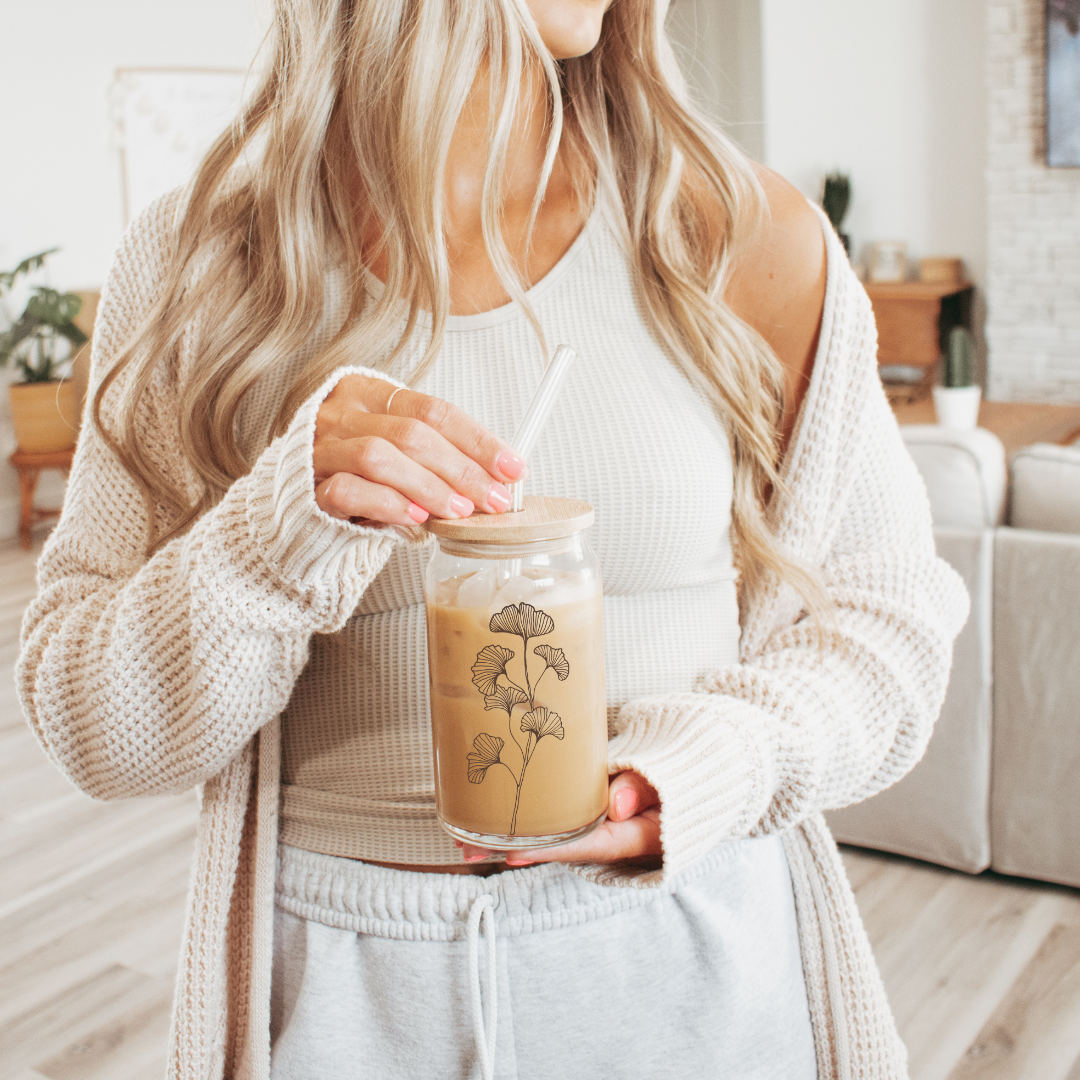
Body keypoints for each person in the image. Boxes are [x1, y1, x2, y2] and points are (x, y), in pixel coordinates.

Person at [18, 1, 968, 1078]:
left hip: (693, 966)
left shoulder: (734, 231)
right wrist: (275, 532)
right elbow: (90, 724)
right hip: (349, 999)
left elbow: (893, 625)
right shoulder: (207, 262)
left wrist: (711, 765)